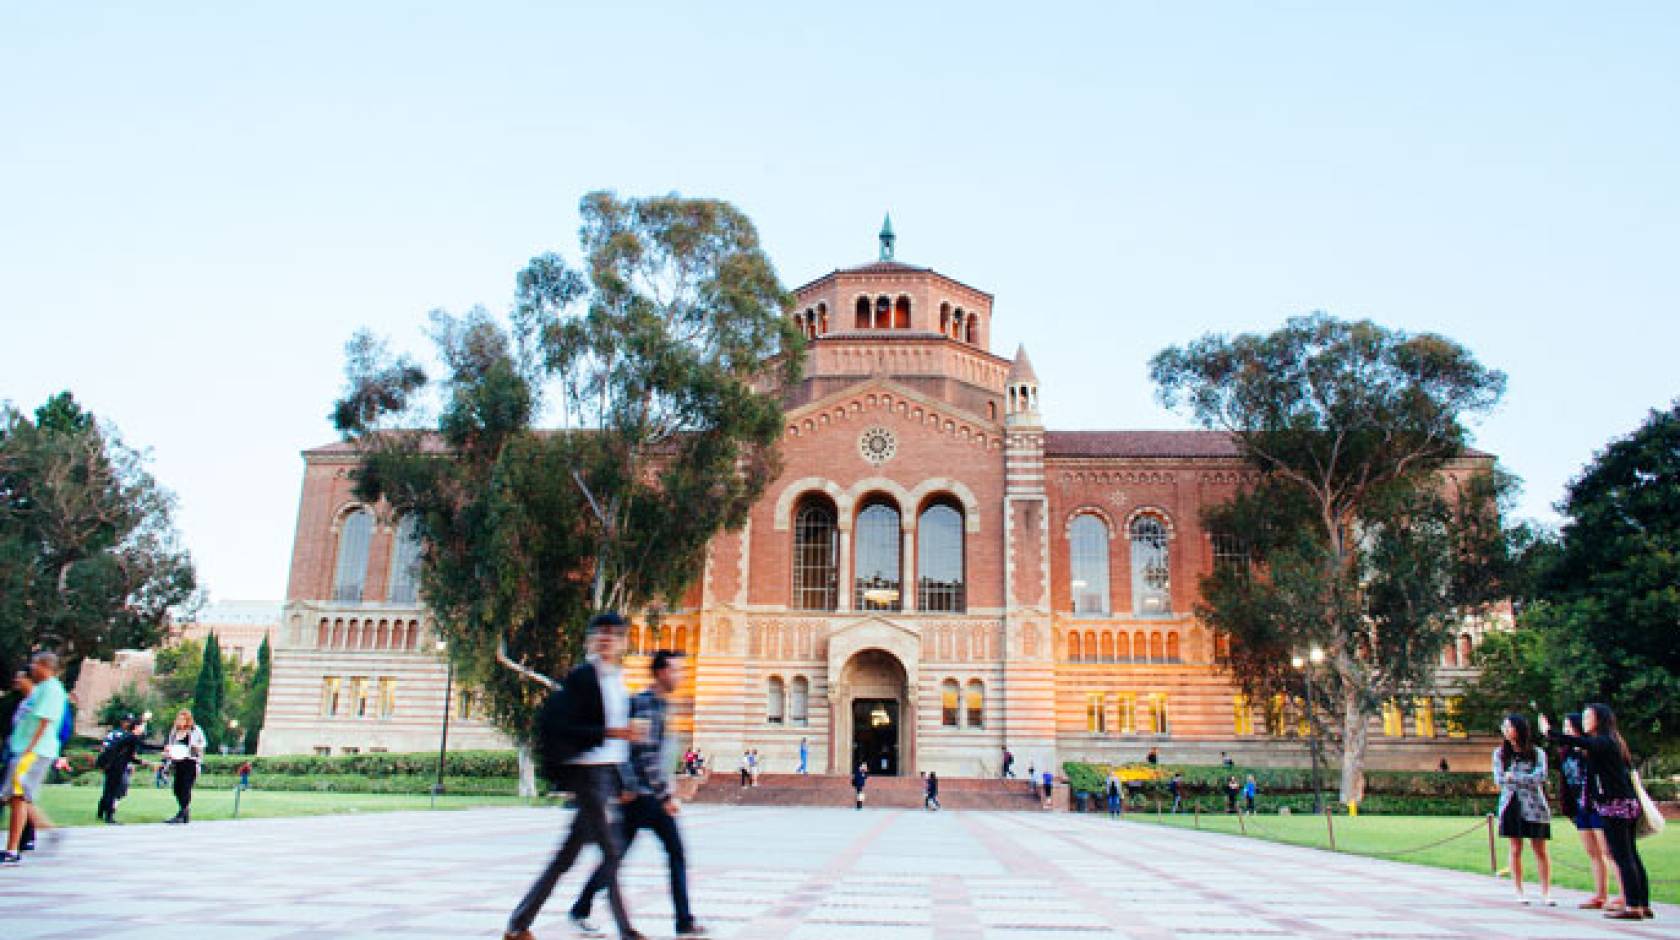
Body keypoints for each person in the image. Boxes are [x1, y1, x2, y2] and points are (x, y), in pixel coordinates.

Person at [505, 612, 645, 940]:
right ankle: (628, 932)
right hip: (586, 774)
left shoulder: (618, 680)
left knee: (566, 858)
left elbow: (617, 744)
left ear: (624, 642)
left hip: (605, 775)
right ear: (591, 640)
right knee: (612, 852)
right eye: (601, 633)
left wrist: (624, 780)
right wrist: (614, 732)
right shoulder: (582, 677)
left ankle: (519, 923)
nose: (607, 638)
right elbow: (565, 727)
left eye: (615, 634)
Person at [571, 651, 706, 937]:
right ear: (660, 672)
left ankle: (581, 907)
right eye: (675, 670)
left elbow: (652, 755)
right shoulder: (645, 704)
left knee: (619, 855)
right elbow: (643, 756)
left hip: (643, 796)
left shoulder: (658, 705)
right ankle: (683, 921)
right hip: (644, 797)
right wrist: (664, 796)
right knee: (671, 853)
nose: (680, 675)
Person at [1540, 706, 1652, 921]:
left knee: (1622, 856)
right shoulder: (1612, 741)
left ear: (1600, 720)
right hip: (1624, 804)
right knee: (1631, 855)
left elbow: (1581, 742)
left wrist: (1550, 732)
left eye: (1588, 717)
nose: (1584, 721)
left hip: (1614, 805)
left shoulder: (1604, 741)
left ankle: (1633, 906)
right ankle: (1642, 904)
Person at [3, 652, 67, 866]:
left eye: (35, 664)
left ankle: (12, 850)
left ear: (44, 666)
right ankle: (50, 832)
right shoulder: (41, 689)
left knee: (18, 796)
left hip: (34, 751)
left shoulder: (52, 690)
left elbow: (44, 721)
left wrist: (29, 750)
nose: (32, 668)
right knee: (17, 796)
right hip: (25, 749)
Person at [1557, 713, 1620, 911]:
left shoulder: (1591, 749)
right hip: (1580, 807)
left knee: (1609, 851)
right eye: (1564, 727)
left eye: (1569, 726)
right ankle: (1600, 894)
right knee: (1592, 852)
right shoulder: (1566, 753)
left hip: (1598, 806)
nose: (1567, 730)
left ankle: (1622, 894)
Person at [1494, 713, 1553, 906]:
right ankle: (1519, 890)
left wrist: (1515, 778)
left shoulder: (1537, 753)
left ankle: (1546, 891)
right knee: (1515, 848)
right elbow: (1500, 779)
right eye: (1504, 727)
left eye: (1509, 727)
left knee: (1540, 849)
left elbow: (1540, 776)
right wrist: (1518, 778)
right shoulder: (1500, 754)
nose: (1506, 731)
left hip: (1535, 805)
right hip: (1511, 804)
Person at [95, 714, 152, 824]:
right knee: (113, 789)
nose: (128, 723)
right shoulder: (124, 735)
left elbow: (130, 755)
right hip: (114, 765)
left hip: (120, 765)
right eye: (127, 721)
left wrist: (140, 762)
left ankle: (103, 812)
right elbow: (108, 749)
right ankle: (108, 815)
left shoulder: (128, 735)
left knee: (111, 789)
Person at [161, 708, 207, 824]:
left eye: (183, 719)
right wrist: (167, 752)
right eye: (179, 719)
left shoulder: (195, 730)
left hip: (190, 761)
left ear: (188, 720)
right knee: (177, 788)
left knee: (186, 787)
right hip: (178, 761)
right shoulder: (175, 731)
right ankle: (185, 811)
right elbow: (170, 744)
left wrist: (196, 747)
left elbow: (203, 743)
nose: (180, 721)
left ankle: (182, 813)